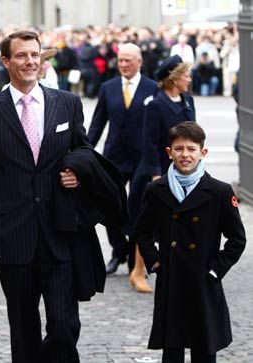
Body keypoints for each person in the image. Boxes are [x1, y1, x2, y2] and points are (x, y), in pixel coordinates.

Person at [0, 30, 90, 363]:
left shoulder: (67, 103)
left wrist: (78, 171)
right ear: (6, 61)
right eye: (22, 56)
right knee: (23, 329)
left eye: (35, 55)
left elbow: (84, 150)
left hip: (60, 231)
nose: (30, 62)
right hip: (13, 235)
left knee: (64, 326)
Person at [133, 122, 246, 363]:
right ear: (169, 152)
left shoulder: (219, 192)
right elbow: (142, 232)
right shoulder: (156, 189)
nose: (185, 155)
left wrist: (215, 270)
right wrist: (154, 263)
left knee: (204, 349)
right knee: (172, 350)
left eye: (191, 149)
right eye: (179, 149)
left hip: (204, 281)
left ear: (202, 153)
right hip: (171, 280)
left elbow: (237, 239)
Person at [87, 43, 158, 279]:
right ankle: (119, 251)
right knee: (109, 206)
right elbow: (98, 123)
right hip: (114, 157)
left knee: (139, 208)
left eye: (128, 60)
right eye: (120, 60)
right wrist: (84, 149)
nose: (124, 65)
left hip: (142, 159)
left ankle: (136, 257)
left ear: (139, 61)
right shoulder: (108, 88)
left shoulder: (152, 88)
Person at [130, 54, 195, 293]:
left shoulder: (187, 100)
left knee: (180, 223)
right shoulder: (156, 104)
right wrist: (156, 174)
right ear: (174, 78)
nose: (189, 79)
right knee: (149, 223)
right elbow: (148, 143)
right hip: (158, 171)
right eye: (186, 75)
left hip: (183, 169)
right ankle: (138, 271)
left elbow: (193, 134)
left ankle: (179, 268)